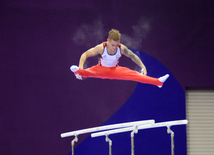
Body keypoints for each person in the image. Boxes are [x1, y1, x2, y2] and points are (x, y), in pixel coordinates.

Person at [70, 29, 169, 88]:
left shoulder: (121, 48)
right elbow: (85, 54)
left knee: (135, 75)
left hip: (115, 70)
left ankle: (158, 82)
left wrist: (142, 66)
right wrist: (81, 67)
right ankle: (78, 72)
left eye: (116, 45)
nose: (114, 47)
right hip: (100, 69)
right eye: (112, 45)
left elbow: (133, 56)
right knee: (87, 72)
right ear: (108, 41)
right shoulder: (101, 47)